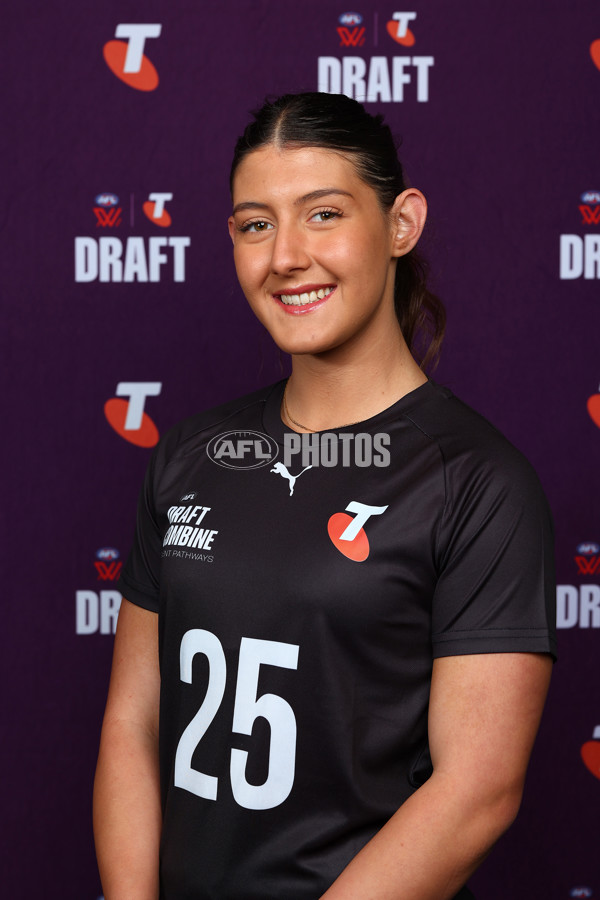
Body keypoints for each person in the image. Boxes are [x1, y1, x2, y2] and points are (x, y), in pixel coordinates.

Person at [93, 92, 556, 900]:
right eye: (255, 224)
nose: (285, 257)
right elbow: (134, 726)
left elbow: (477, 792)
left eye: (323, 214)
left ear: (401, 224)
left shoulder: (477, 482)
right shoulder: (191, 454)